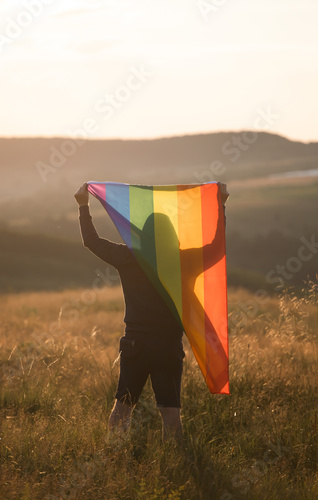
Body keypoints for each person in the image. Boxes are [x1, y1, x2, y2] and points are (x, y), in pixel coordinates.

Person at [74, 181, 229, 441]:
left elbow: (92, 241)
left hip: (135, 344)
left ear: (142, 234)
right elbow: (215, 247)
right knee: (170, 414)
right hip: (168, 347)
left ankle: (114, 457)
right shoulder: (183, 261)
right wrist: (220, 203)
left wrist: (83, 205)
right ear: (171, 234)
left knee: (122, 409)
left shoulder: (129, 257)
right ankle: (174, 466)